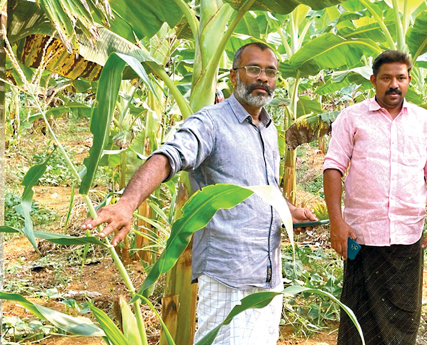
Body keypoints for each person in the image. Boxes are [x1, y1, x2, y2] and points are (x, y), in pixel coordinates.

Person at [80, 42, 317, 345]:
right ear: (234, 76)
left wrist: (287, 208)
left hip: (268, 271)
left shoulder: (267, 128)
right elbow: (168, 157)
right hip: (228, 271)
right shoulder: (211, 123)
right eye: (253, 69)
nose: (263, 78)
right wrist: (127, 203)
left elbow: (263, 185)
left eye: (270, 72)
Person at [322, 50, 427, 345]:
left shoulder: (424, 121)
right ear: (373, 81)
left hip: (408, 236)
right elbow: (333, 167)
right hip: (361, 235)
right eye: (387, 78)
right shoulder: (352, 118)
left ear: (409, 80)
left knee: (403, 319)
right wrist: (336, 222)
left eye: (401, 78)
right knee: (357, 318)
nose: (394, 85)